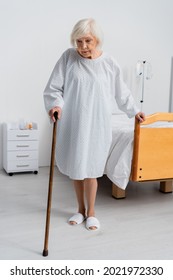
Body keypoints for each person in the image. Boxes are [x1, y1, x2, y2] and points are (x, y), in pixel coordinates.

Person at [43, 18, 145, 231]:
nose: (83, 47)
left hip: (97, 123)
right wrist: (56, 106)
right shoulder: (68, 58)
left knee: (91, 169)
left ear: (97, 39)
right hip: (74, 122)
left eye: (87, 41)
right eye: (78, 41)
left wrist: (134, 111)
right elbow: (54, 88)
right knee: (77, 169)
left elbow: (121, 91)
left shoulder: (108, 63)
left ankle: (92, 213)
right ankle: (80, 210)